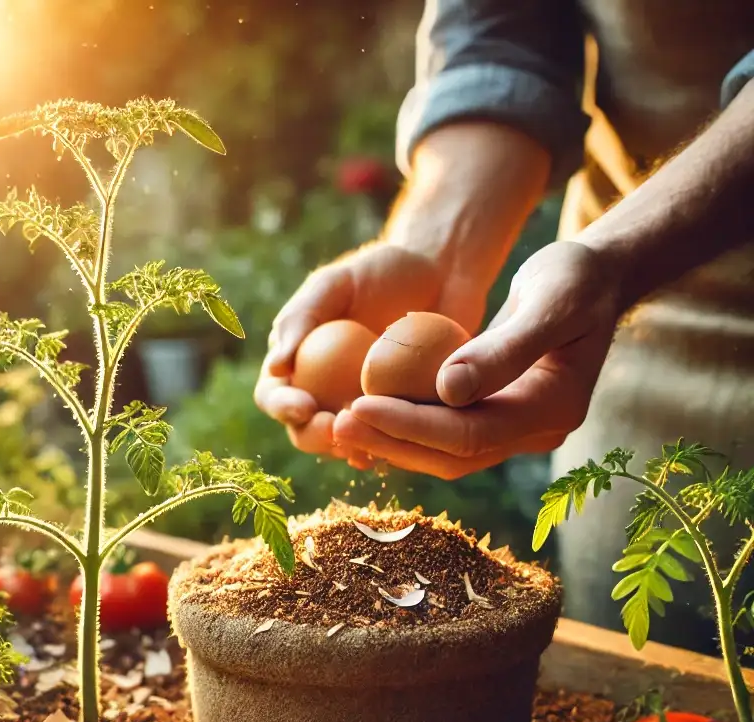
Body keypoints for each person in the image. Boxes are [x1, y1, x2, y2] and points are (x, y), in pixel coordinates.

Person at [254, 0, 754, 647]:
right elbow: (502, 28)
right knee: (647, 682)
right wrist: (437, 249)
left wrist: (616, 259)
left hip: (616, 264)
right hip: (611, 324)